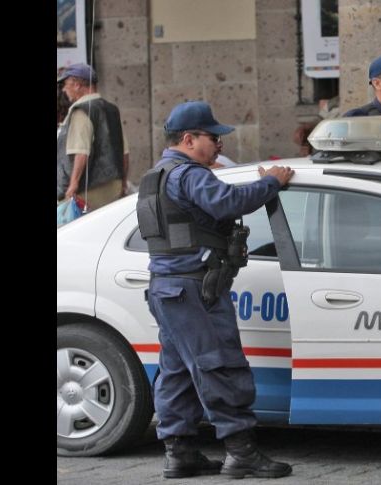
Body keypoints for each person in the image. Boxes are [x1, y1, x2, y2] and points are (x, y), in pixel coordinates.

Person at [136, 101, 294, 479]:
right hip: (194, 289)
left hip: (169, 288)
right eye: (212, 137)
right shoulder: (190, 175)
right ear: (189, 139)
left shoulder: (157, 174)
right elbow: (228, 203)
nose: (219, 144)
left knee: (176, 372)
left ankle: (181, 453)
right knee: (219, 365)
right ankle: (241, 453)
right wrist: (271, 181)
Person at [57, 63, 129, 209]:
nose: (64, 90)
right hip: (113, 187)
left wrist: (73, 185)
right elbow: (124, 152)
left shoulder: (80, 111)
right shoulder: (111, 109)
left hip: (87, 191)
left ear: (77, 85)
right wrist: (123, 181)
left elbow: (81, 152)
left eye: (66, 85)